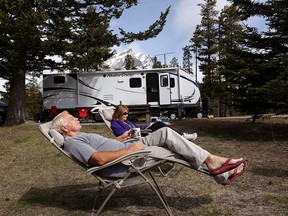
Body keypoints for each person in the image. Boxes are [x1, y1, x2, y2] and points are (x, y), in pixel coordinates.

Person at [51, 111, 248, 186]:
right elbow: (98, 159)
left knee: (166, 133)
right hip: (127, 161)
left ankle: (217, 167)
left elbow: (104, 145)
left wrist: (123, 138)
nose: (77, 118)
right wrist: (129, 150)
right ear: (65, 128)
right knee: (174, 150)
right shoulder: (72, 142)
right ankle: (218, 168)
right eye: (72, 118)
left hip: (130, 148)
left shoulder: (81, 136)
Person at [111, 105, 197, 141]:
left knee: (160, 125)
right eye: (125, 113)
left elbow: (137, 126)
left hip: (141, 133)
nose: (127, 115)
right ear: (119, 113)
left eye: (127, 113)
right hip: (137, 137)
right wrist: (133, 131)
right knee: (159, 125)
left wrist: (148, 126)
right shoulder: (115, 123)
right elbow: (120, 134)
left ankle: (182, 136)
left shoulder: (126, 122)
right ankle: (183, 136)